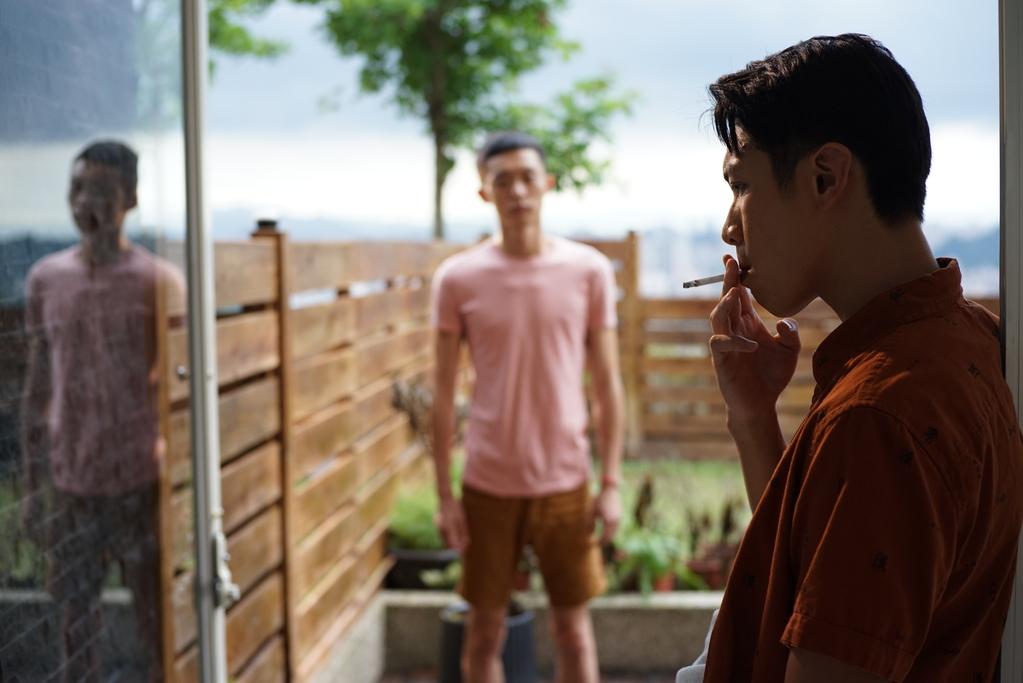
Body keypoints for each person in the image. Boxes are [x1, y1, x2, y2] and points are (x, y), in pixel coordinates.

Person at [678, 33, 1023, 683]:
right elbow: (815, 568)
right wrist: (752, 417)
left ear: (825, 177)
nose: (729, 226)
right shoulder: (972, 335)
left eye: (741, 184)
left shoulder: (881, 410)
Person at [431, 131, 625, 683]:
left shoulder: (588, 271)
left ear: (547, 183)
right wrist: (444, 495)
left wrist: (611, 483)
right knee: (484, 635)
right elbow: (441, 394)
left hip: (567, 481)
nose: (516, 190)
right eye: (502, 181)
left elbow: (608, 385)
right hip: (487, 483)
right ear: (484, 192)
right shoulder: (458, 278)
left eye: (526, 177)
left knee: (573, 634)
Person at [20, 140, 183, 683]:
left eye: (102, 191)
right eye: (77, 189)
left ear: (130, 198)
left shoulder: (158, 282)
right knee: (74, 617)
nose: (85, 203)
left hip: (141, 478)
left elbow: (179, 390)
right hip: (72, 481)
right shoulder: (47, 279)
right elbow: (37, 389)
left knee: (153, 613)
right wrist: (32, 489)